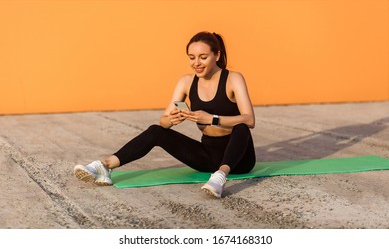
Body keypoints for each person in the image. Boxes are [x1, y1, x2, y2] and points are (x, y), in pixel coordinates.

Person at [74, 31, 256, 198]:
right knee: (155, 131)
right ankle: (105, 166)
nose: (196, 63)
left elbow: (250, 119)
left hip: (240, 160)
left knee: (241, 127)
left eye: (203, 57)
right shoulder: (186, 81)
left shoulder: (233, 78)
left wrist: (212, 119)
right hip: (208, 156)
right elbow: (163, 121)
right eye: (192, 58)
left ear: (216, 55)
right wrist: (173, 119)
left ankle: (220, 177)